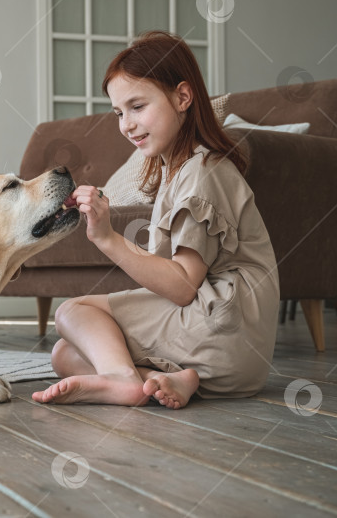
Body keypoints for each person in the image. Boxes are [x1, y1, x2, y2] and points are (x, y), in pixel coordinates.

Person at [32, 31, 280, 409]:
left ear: (182, 97)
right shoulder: (178, 172)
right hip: (234, 355)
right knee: (65, 355)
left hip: (222, 323)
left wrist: (107, 237)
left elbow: (182, 286)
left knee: (72, 312)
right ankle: (167, 380)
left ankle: (124, 381)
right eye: (119, 112)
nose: (126, 125)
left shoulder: (204, 171)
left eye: (137, 106)